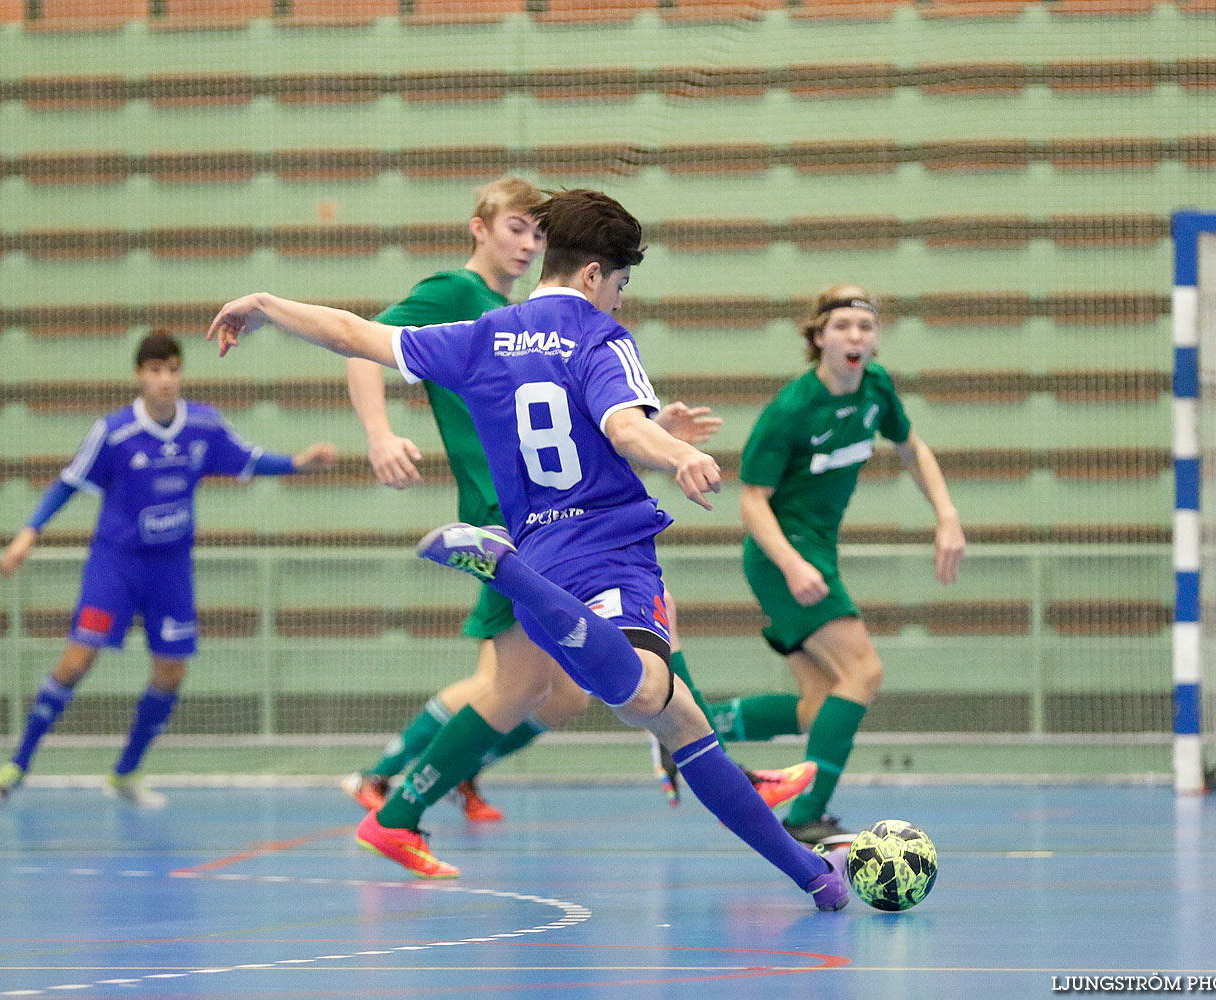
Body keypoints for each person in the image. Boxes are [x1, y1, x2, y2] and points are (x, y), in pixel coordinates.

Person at [206, 189, 853, 911]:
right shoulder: (601, 338)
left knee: (678, 724)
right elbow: (620, 426)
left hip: (541, 556)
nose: (619, 300)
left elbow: (356, 335)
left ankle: (812, 875)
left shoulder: (484, 333)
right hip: (604, 554)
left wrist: (265, 302)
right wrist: (673, 452)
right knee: (644, 694)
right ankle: (497, 569)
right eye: (620, 284)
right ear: (591, 275)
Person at [341, 178, 809, 821]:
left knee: (553, 695)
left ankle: (420, 783)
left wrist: (650, 430)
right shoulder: (459, 298)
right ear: (478, 227)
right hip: (513, 516)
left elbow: (577, 419)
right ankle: (395, 793)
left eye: (538, 231)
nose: (528, 242)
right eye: (515, 227)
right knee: (539, 675)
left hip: (543, 509)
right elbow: (364, 344)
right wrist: (380, 434)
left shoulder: (527, 317)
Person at [0, 330, 337, 806]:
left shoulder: (204, 427)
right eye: (154, 370)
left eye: (172, 369)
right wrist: (29, 533)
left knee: (171, 672)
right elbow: (68, 483)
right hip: (115, 567)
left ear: (181, 373)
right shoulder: (114, 432)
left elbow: (249, 460)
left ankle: (125, 772)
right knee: (76, 660)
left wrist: (298, 462)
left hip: (170, 570)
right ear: (139, 376)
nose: (164, 379)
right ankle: (18, 764)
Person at [733, 284, 966, 843]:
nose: (855, 336)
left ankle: (694, 734)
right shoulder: (792, 408)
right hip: (782, 555)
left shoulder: (876, 389)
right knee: (863, 672)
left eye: (865, 327)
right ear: (819, 338)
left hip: (817, 551)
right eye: (841, 327)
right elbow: (750, 499)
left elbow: (911, 448)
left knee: (820, 706)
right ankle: (805, 816)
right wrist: (791, 564)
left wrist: (947, 515)